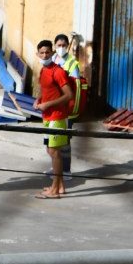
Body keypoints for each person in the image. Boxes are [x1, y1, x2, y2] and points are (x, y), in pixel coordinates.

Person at [34, 40, 73, 199]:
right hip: (47, 116)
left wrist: (48, 104)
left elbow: (69, 95)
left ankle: (54, 190)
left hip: (57, 116)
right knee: (50, 150)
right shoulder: (43, 71)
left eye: (47, 52)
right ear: (38, 54)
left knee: (54, 151)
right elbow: (46, 90)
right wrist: (39, 100)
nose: (44, 55)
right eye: (42, 53)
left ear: (52, 53)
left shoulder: (58, 71)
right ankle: (60, 186)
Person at [53, 33, 84, 177]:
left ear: (67, 47)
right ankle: (56, 169)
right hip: (54, 107)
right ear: (55, 46)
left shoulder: (72, 63)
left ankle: (66, 170)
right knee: (54, 140)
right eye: (58, 45)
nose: (61, 48)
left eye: (63, 45)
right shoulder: (52, 59)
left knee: (64, 140)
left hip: (66, 109)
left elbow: (75, 87)